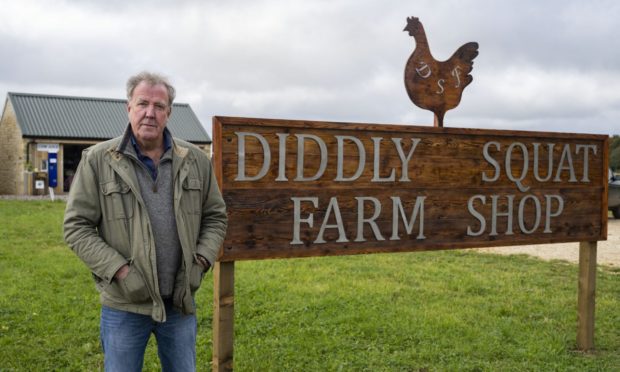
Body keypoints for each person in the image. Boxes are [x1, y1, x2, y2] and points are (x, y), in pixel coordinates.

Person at [63, 71, 227, 371]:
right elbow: (76, 227)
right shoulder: (98, 160)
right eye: (142, 104)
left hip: (179, 304)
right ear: (129, 108)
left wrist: (200, 261)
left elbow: (216, 216)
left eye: (159, 105)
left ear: (169, 112)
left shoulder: (196, 161)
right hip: (124, 306)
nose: (150, 113)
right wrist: (120, 270)